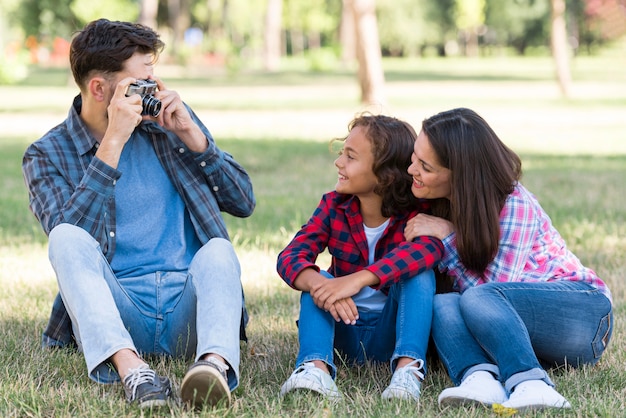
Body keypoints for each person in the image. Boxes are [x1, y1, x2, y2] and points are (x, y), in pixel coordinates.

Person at [22, 19, 255, 409]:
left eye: (154, 79)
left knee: (218, 250)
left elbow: (243, 202)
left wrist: (195, 140)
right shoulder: (46, 154)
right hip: (118, 313)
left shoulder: (168, 126)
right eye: (141, 84)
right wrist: (112, 142)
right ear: (99, 89)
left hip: (188, 313)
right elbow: (69, 244)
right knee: (64, 235)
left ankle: (212, 367)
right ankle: (134, 372)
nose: (154, 91)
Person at [404, 107, 613, 412]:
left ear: (460, 174)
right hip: (519, 328)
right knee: (440, 304)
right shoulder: (442, 202)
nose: (413, 170)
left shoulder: (514, 204)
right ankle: (479, 378)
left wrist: (448, 238)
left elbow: (492, 294)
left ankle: (531, 384)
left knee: (478, 297)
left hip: (583, 314)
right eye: (414, 158)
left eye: (425, 166)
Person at [276, 113, 444, 401]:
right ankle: (315, 368)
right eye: (342, 153)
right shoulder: (333, 206)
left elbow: (428, 251)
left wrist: (356, 280)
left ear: (385, 175)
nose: (339, 162)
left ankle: (408, 371)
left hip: (391, 333)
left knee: (419, 273)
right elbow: (291, 255)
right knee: (317, 282)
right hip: (344, 332)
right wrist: (323, 285)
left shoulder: (417, 213)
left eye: (350, 157)